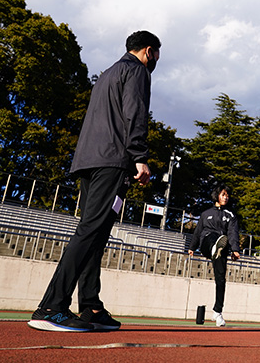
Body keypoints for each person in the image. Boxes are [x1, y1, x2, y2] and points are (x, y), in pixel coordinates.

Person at [28, 31, 161, 332]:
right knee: (91, 231)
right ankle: (51, 306)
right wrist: (139, 155)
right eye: (155, 57)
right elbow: (134, 113)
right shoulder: (137, 70)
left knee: (96, 233)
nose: (154, 63)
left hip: (88, 160)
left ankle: (91, 305)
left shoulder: (108, 73)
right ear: (148, 51)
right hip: (112, 161)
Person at [188, 183, 241, 327]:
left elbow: (233, 233)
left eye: (227, 195)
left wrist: (235, 249)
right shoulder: (206, 214)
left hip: (221, 249)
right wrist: (192, 247)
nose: (226, 197)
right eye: (223, 194)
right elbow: (198, 232)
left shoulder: (230, 215)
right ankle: (214, 246)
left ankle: (218, 312)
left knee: (221, 280)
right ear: (217, 195)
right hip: (206, 242)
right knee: (211, 236)